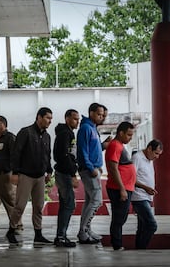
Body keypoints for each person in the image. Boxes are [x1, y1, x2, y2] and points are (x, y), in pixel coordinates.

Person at [6, 107, 53, 244]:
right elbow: (16, 153)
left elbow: (47, 156)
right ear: (39, 117)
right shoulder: (25, 132)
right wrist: (15, 173)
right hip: (25, 175)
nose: (50, 121)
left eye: (51, 119)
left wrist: (49, 171)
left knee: (38, 207)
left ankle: (38, 234)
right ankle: (11, 231)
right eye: (47, 118)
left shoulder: (47, 136)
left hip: (40, 177)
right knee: (20, 206)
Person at [105, 121, 136, 251]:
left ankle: (117, 242)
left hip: (125, 187)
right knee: (119, 217)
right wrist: (122, 188)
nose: (130, 138)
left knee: (121, 216)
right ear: (121, 133)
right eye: (128, 135)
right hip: (119, 188)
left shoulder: (119, 145)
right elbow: (113, 167)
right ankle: (117, 244)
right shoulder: (115, 146)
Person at [76, 102, 105, 244]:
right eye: (99, 114)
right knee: (96, 201)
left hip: (94, 169)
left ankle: (86, 230)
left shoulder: (93, 128)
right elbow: (82, 151)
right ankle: (82, 231)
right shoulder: (85, 128)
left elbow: (94, 150)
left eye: (102, 115)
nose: (101, 117)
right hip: (89, 171)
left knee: (89, 201)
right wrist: (90, 167)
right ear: (92, 113)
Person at [53, 109, 80, 247]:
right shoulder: (65, 134)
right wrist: (72, 174)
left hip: (65, 173)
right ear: (67, 118)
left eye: (78, 119)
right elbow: (63, 156)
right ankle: (61, 237)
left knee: (66, 204)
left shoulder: (68, 133)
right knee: (68, 205)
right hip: (64, 174)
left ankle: (61, 235)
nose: (77, 121)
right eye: (75, 119)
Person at [131, 139, 163, 249]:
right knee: (151, 225)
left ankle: (139, 250)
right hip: (139, 197)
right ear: (149, 148)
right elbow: (131, 179)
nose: (157, 157)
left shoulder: (150, 159)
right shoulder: (137, 158)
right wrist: (146, 188)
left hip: (147, 197)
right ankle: (142, 249)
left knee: (142, 227)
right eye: (156, 153)